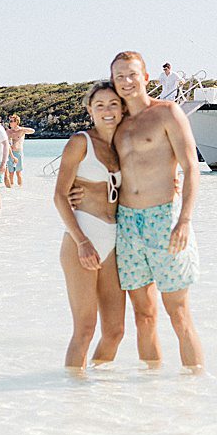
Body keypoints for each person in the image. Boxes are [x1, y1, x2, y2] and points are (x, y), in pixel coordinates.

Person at [109, 51, 203, 370]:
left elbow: (191, 167)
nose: (126, 81)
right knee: (144, 316)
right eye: (119, 76)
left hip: (165, 219)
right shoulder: (115, 122)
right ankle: (150, 399)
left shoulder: (167, 113)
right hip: (127, 224)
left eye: (132, 74)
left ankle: (193, 396)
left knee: (178, 314)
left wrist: (185, 220)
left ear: (146, 78)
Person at [53, 81, 128, 370]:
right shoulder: (80, 142)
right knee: (84, 330)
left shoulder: (124, 144)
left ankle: (98, 397)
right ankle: (73, 399)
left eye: (113, 104)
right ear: (89, 110)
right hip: (82, 238)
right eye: (99, 105)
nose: (107, 111)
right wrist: (82, 241)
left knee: (115, 332)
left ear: (122, 108)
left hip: (114, 240)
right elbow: (60, 195)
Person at [6, 114, 32, 189]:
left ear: (16, 122)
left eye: (11, 121)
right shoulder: (9, 132)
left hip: (18, 153)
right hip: (10, 153)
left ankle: (20, 189)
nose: (10, 123)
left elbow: (32, 131)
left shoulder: (21, 131)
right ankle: (10, 189)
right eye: (9, 121)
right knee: (10, 173)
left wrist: (21, 128)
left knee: (18, 172)